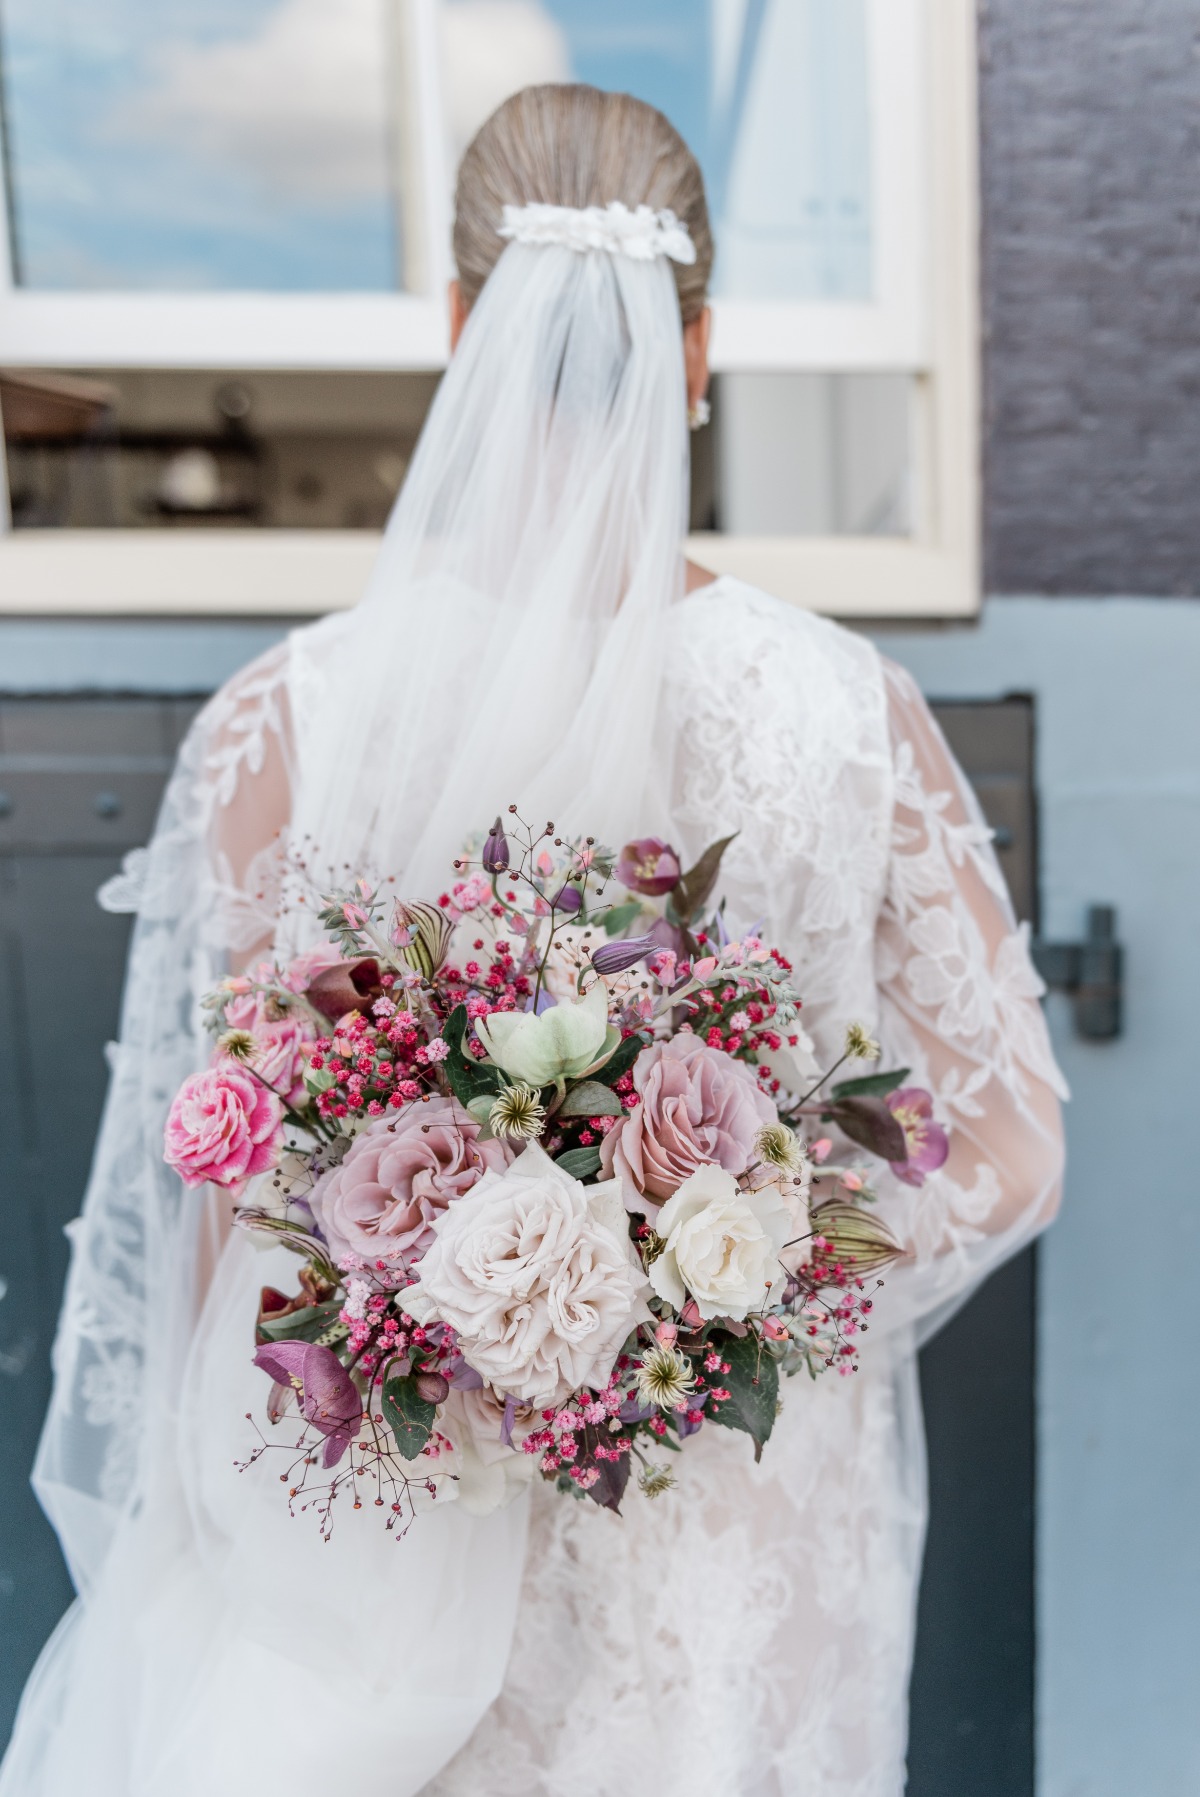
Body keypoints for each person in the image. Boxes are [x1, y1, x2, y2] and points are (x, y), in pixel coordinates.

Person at [1, 85, 1065, 1797]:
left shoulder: (284, 723)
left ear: (457, 329)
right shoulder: (846, 714)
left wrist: (448, 1324)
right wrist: (726, 1285)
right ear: (701, 349)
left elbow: (222, 1209)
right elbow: (1013, 1148)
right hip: (733, 1526)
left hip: (390, 1548)